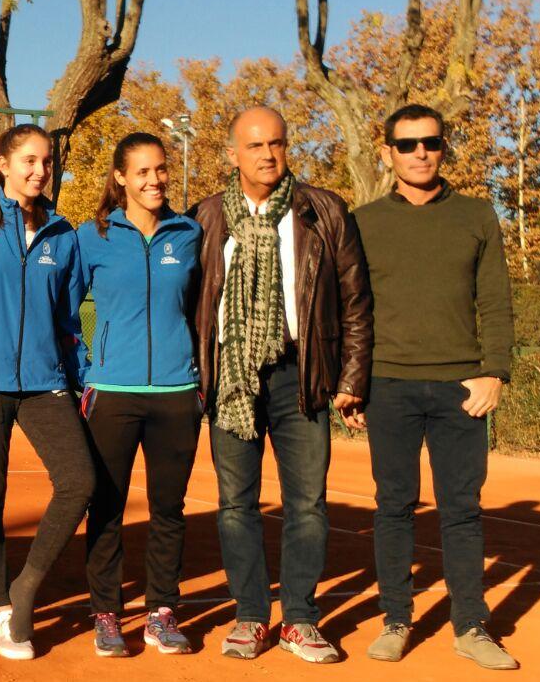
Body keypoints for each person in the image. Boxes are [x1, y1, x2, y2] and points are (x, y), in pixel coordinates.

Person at [193, 106, 372, 664]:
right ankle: (250, 616)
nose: (267, 155)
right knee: (234, 505)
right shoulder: (204, 217)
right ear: (232, 155)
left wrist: (351, 377)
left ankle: (299, 619)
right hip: (232, 377)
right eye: (254, 146)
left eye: (276, 143)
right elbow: (191, 304)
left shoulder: (323, 210)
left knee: (308, 505)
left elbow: (356, 303)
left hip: (304, 376)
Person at [355, 104, 519, 670]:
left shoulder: (477, 215)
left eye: (431, 142)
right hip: (389, 387)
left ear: (444, 147)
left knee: (462, 510)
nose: (420, 152)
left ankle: (471, 626)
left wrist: (495, 371)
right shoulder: (364, 221)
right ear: (388, 153)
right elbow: (353, 311)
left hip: (461, 389)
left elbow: (495, 300)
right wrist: (353, 385)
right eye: (407, 144)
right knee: (393, 507)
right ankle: (396, 619)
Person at [0, 124, 93, 660]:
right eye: (29, 160)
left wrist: (79, 374)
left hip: (45, 381)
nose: (40, 170)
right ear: (3, 164)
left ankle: (25, 587)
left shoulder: (62, 231)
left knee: (80, 480)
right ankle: (0, 608)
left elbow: (67, 315)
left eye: (47, 161)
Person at [76, 132, 203, 659]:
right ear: (121, 178)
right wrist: (90, 370)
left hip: (177, 393)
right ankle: (107, 613)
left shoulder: (190, 233)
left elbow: (201, 308)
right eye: (143, 172)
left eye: (161, 170)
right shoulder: (92, 236)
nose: (155, 180)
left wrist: (196, 373)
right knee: (106, 506)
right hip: (114, 394)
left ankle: (161, 612)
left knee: (168, 509)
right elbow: (65, 311)